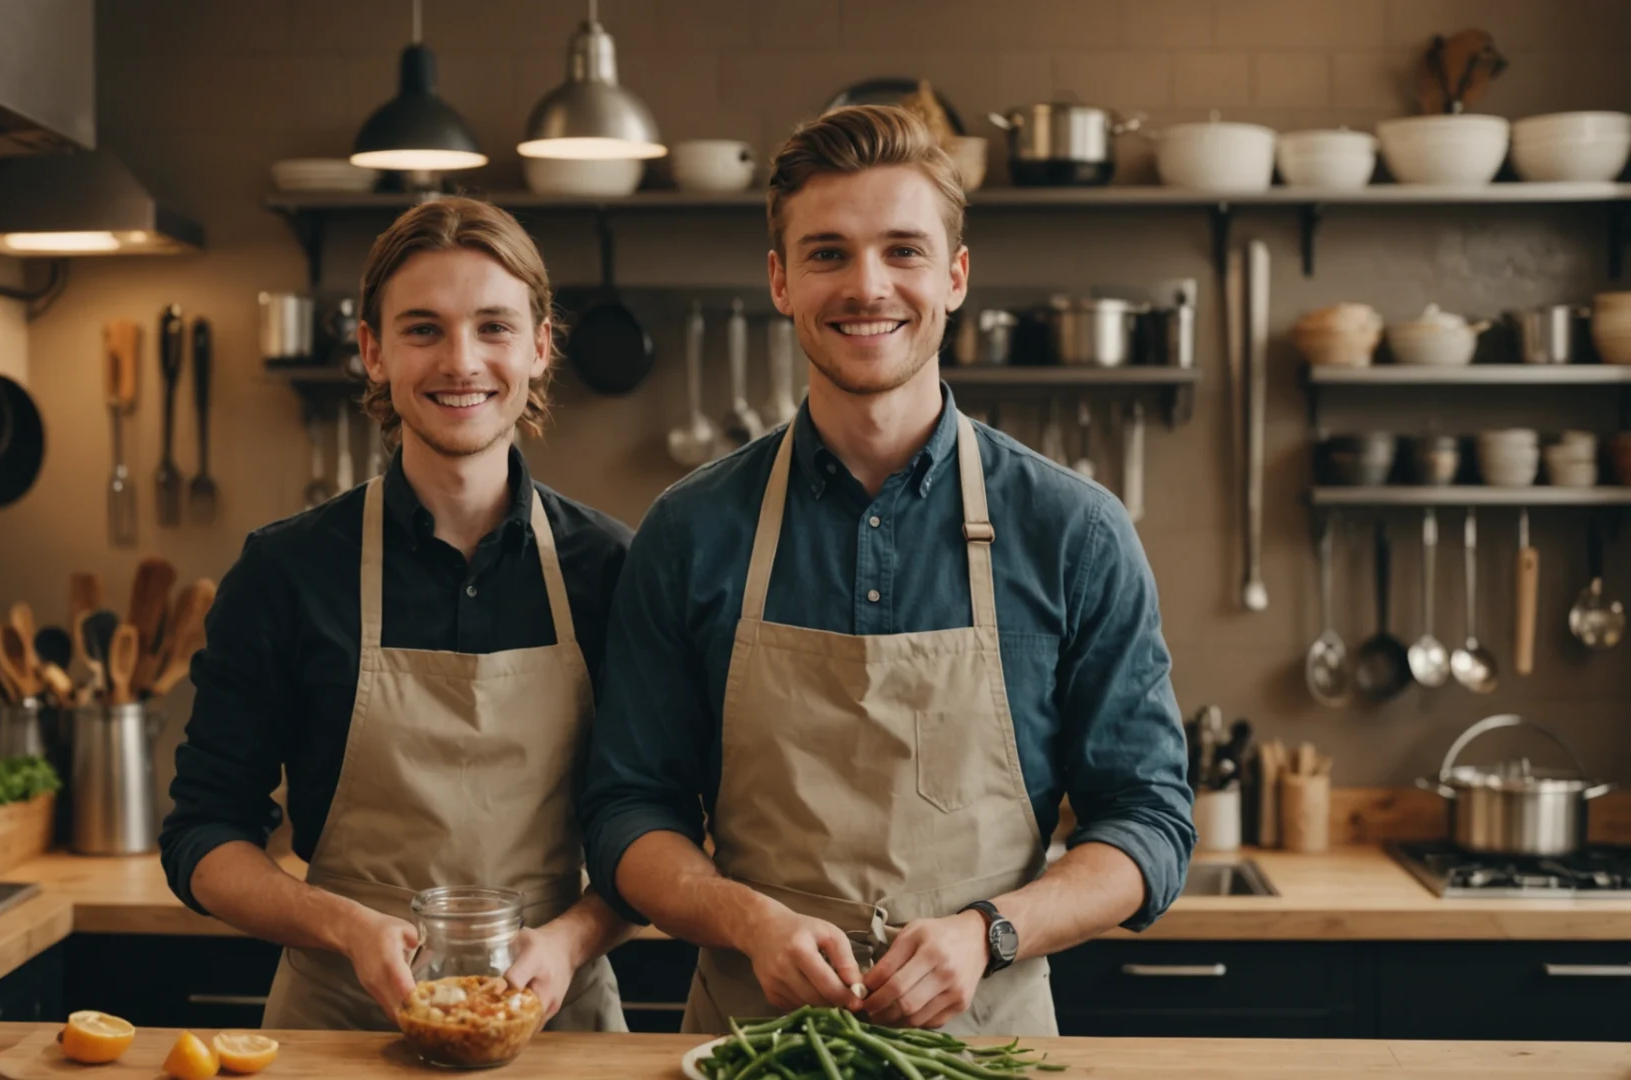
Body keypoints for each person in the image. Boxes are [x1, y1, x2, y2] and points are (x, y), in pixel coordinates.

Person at [579, 105, 1195, 1037]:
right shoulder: (691, 531)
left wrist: (991, 930)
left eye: (902, 251)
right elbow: (627, 812)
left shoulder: (1075, 532)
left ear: (954, 277)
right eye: (828, 253)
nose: (867, 286)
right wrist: (751, 920)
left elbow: (1148, 822)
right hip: (752, 1045)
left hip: (986, 1047)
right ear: (781, 281)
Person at [160, 197, 635, 1032]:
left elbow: (661, 827)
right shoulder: (287, 572)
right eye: (423, 329)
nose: (462, 362)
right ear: (372, 352)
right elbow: (204, 834)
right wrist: (342, 925)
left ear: (539, 345)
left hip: (555, 1027)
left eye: (493, 326)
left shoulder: (614, 570)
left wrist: (569, 938)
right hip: (339, 1027)